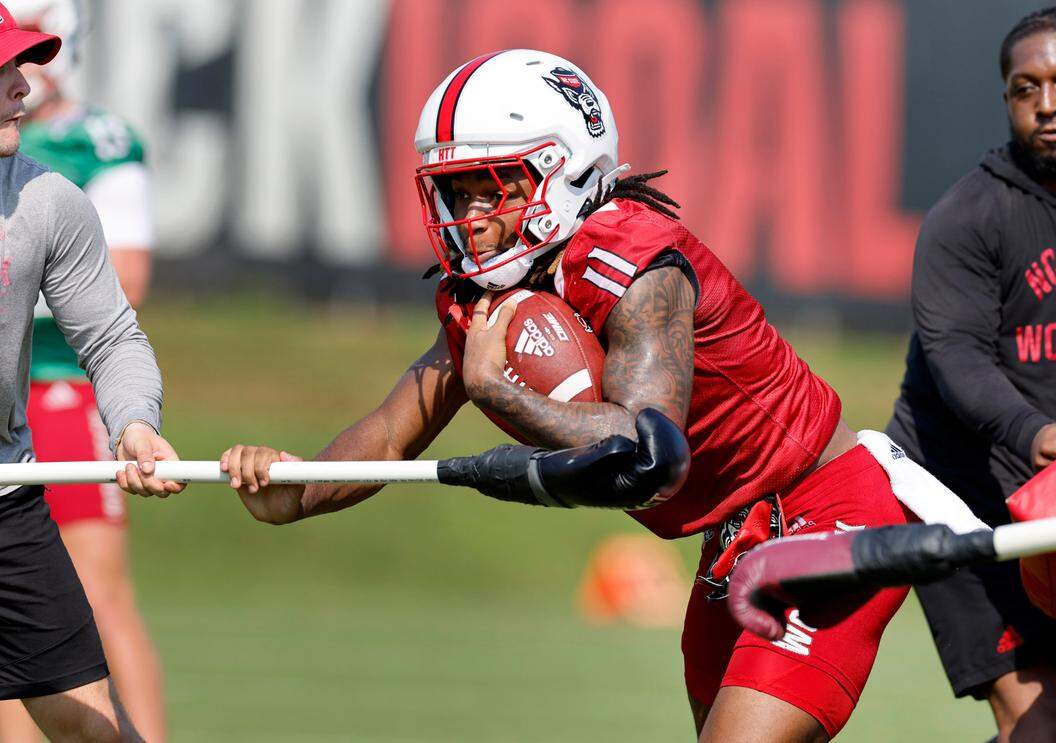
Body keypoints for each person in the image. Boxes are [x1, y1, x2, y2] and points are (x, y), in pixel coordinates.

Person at [218, 48, 950, 742]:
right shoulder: (489, 292)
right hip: (730, 539)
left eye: (491, 186)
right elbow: (389, 431)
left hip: (825, 509)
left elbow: (647, 448)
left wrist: (499, 396)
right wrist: (293, 489)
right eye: (456, 190)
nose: (469, 215)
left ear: (563, 171)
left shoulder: (632, 258)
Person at [885, 6, 1056, 741]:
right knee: (1051, 714)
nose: (1048, 104)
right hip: (960, 488)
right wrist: (1032, 430)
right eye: (1027, 88)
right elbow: (956, 354)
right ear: (1007, 101)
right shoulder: (969, 216)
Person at [0, 4, 183, 740]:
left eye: (21, 62)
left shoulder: (47, 200)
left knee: (92, 727)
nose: (24, 84)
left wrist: (134, 423)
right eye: (5, 68)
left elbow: (110, 336)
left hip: (7, 498)